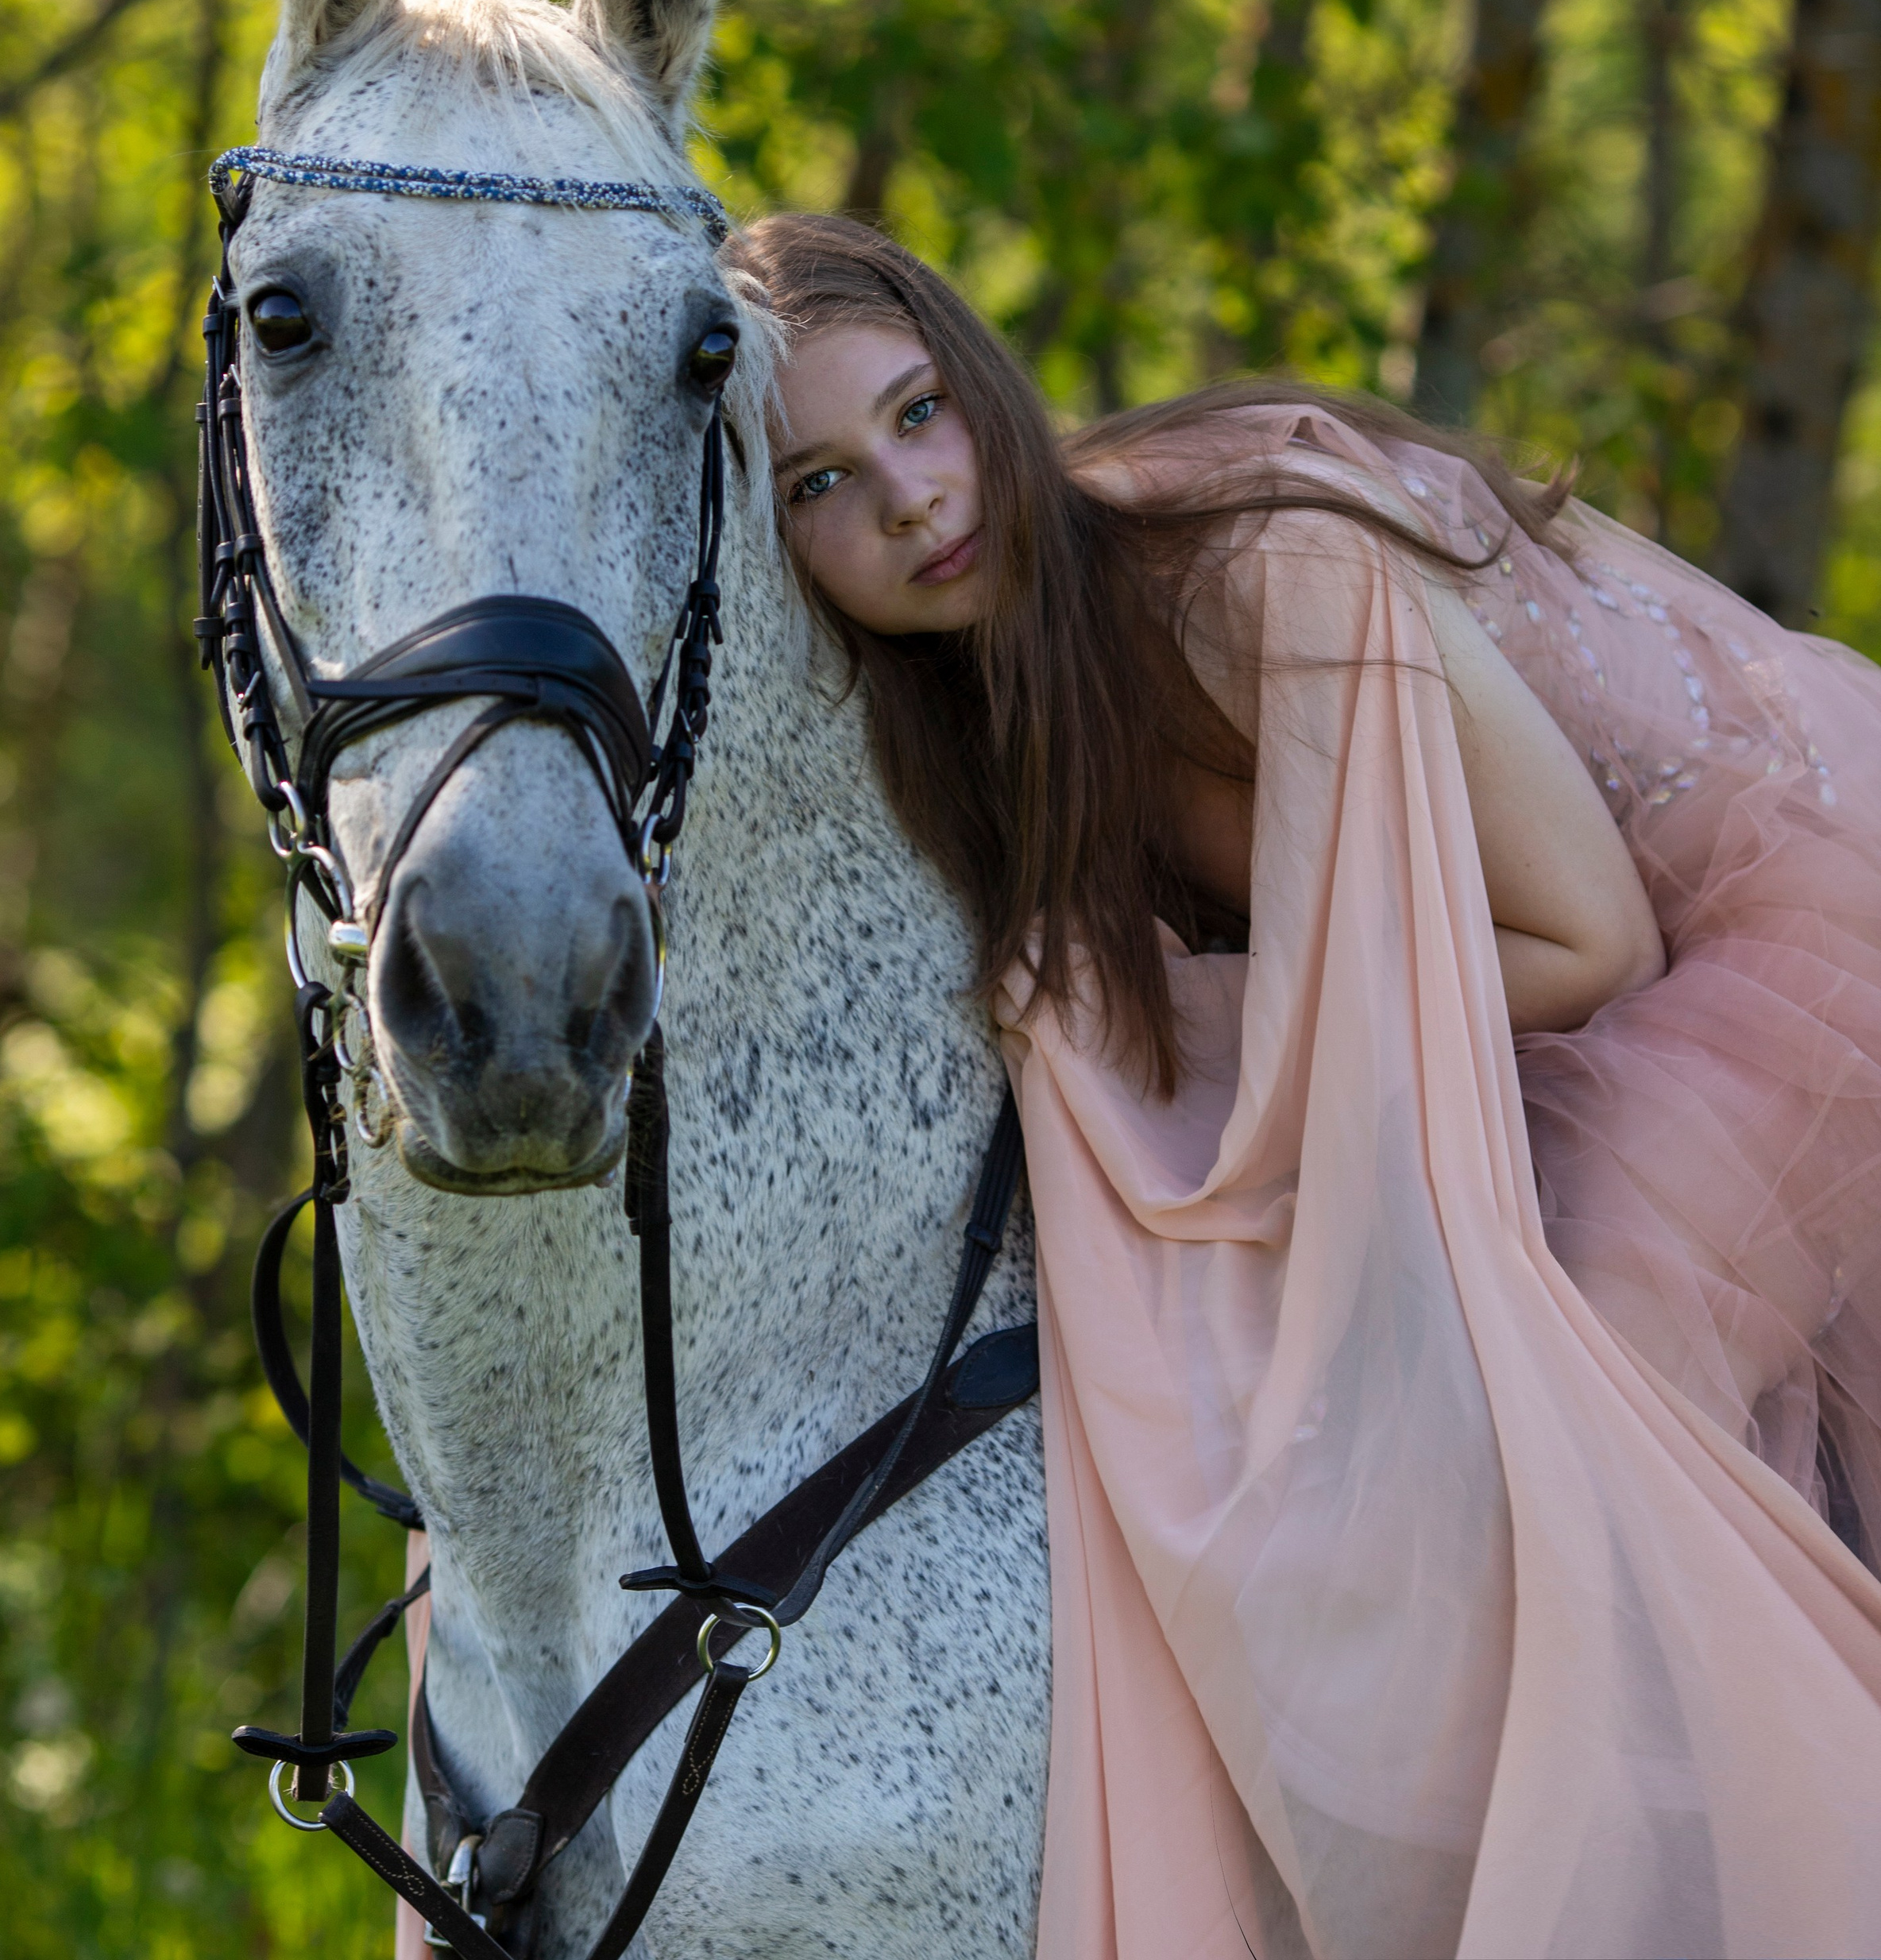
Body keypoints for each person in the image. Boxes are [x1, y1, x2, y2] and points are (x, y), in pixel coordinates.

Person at [724, 208, 1881, 1960]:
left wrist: (1176, 1021)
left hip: (1758, 935)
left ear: (975, 374)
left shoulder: (1241, 568)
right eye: (812, 486)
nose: (900, 499)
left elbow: (1588, 946)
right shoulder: (974, 721)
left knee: (1558, 1404)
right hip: (1538, 998)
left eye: (912, 413)